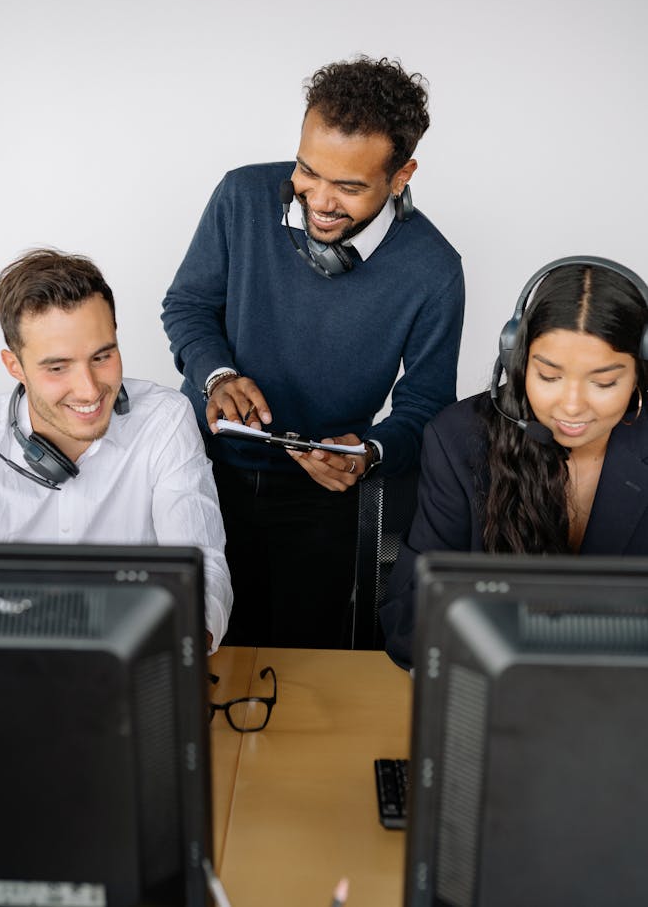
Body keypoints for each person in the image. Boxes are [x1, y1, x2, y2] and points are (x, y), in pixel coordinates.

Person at [161, 56, 465, 647]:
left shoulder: (435, 268)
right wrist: (216, 375)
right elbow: (187, 307)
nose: (320, 200)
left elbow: (427, 403)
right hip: (200, 475)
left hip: (323, 503)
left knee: (304, 666)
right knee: (195, 653)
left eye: (349, 187)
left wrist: (372, 452)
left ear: (402, 176)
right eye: (308, 172)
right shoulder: (240, 195)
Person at [0, 249, 232, 650]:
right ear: (15, 367)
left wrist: (186, 644)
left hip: (138, 661)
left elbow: (203, 563)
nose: (89, 389)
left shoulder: (164, 419)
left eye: (102, 356)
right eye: (57, 367)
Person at [381, 257, 648, 668]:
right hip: (496, 692)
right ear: (518, 362)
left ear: (639, 375)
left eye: (604, 382)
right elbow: (407, 620)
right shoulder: (458, 441)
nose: (572, 406)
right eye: (549, 376)